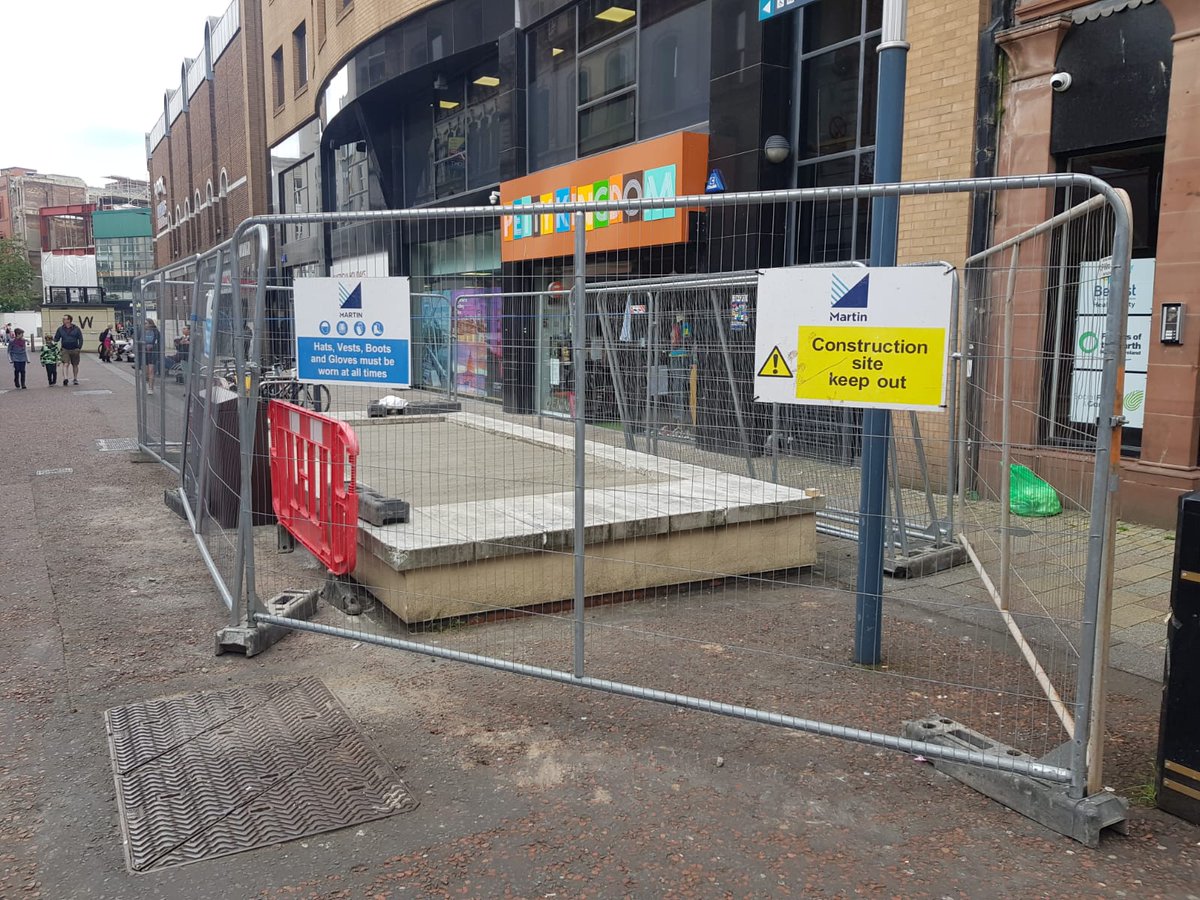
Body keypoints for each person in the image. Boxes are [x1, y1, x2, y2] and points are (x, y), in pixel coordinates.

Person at [53, 314, 84, 385]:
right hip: (65, 349)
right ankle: (65, 379)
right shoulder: (60, 329)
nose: (63, 320)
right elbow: (56, 338)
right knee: (65, 364)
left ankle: (75, 378)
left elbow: (80, 338)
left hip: (75, 349)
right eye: (63, 319)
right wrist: (52, 343)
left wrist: (79, 347)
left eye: (65, 319)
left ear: (69, 320)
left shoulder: (76, 328)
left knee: (75, 364)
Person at [142, 318, 162, 394]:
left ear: (150, 323)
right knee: (146, 371)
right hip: (144, 353)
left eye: (146, 323)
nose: (144, 325)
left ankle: (151, 388)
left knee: (151, 370)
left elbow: (159, 343)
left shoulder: (155, 332)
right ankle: (148, 382)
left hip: (153, 353)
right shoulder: (143, 332)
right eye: (144, 323)